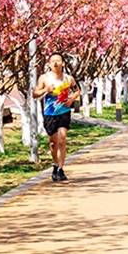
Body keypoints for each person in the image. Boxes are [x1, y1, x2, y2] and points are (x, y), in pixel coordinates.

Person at [32, 53, 80, 182]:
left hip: (64, 112)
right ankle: (55, 164)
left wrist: (71, 100)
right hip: (50, 114)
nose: (55, 63)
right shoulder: (44, 78)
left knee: (61, 140)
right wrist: (45, 90)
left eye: (58, 60)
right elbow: (35, 94)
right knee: (53, 143)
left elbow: (77, 91)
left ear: (63, 63)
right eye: (52, 61)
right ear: (49, 64)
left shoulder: (68, 79)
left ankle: (61, 169)